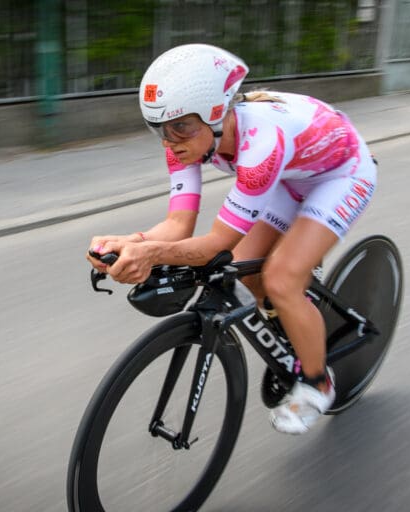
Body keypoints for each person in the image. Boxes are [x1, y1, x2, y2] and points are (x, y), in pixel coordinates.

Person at [87, 44, 377, 435]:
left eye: (181, 127)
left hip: (340, 173)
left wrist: (150, 253)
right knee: (245, 274)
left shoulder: (259, 146)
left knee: (280, 278)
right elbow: (178, 224)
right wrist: (130, 241)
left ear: (216, 113)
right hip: (291, 176)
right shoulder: (183, 141)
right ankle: (297, 319)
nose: (170, 141)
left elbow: (214, 246)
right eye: (159, 129)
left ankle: (317, 382)